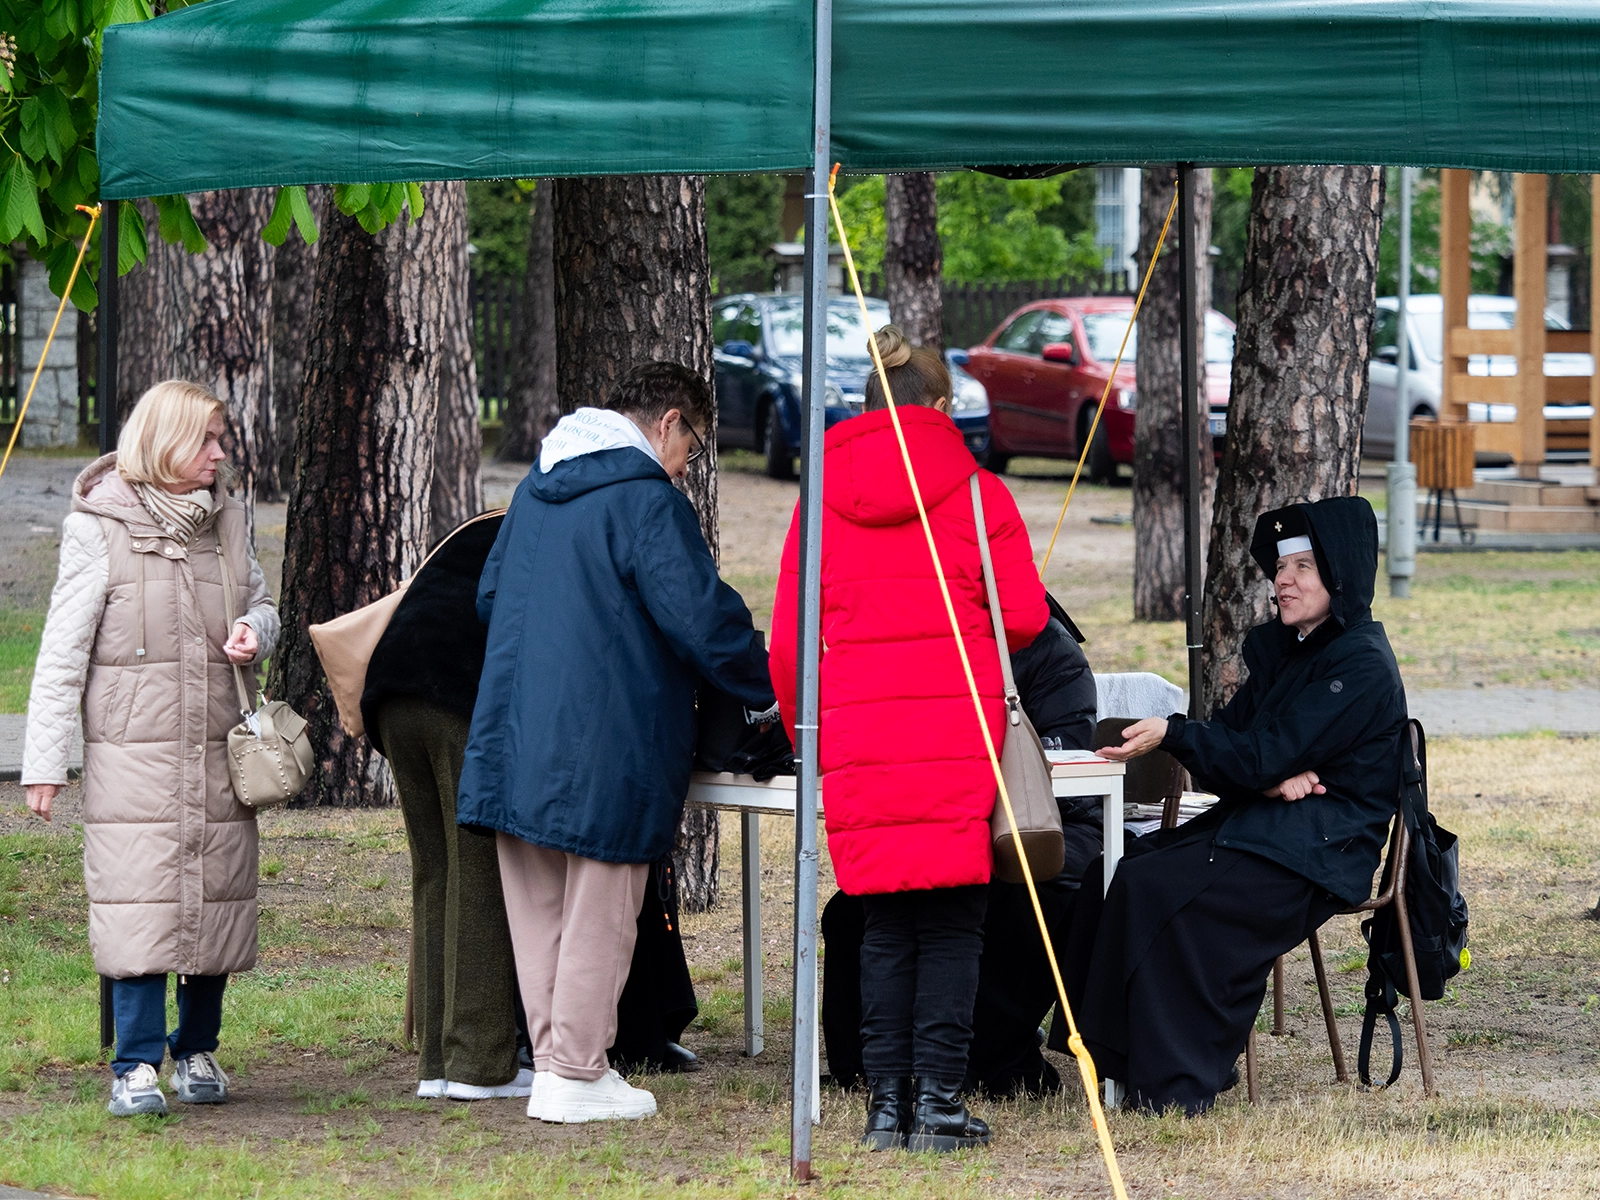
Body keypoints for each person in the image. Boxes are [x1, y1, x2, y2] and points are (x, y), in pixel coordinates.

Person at [456, 362, 776, 1125]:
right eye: (692, 448)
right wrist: (768, 685)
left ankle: (556, 1064)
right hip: (608, 740)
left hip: (513, 728)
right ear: (669, 422)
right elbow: (700, 620)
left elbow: (490, 595)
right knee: (599, 908)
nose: (687, 466)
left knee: (540, 908)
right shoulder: (645, 500)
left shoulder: (538, 486)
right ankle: (573, 1069)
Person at [770, 326, 1049, 1153]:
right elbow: (1027, 619)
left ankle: (885, 1111)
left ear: (866, 405)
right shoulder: (977, 494)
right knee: (955, 926)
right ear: (941, 406)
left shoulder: (819, 495)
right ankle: (937, 1104)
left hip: (859, 741)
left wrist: (808, 742)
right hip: (957, 738)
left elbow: (787, 645)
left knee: (885, 927)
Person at [1072, 495, 1406, 1115]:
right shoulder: (1297, 652)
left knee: (1158, 890)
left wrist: (1191, 739)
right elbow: (1242, 748)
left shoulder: (1358, 661)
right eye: (1282, 569)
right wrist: (1267, 779)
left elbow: (1253, 754)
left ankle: (1175, 1080)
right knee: (1110, 873)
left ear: (1342, 573)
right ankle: (1108, 1053)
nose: (1284, 581)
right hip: (1269, 824)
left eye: (1304, 567)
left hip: (1321, 849)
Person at [362, 515, 705, 1101]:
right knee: (480, 873)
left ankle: (437, 1064)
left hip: (392, 693)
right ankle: (479, 1062)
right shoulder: (588, 534)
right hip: (456, 695)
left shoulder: (520, 519)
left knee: (435, 874)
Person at [22, 381, 280, 1117]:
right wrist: (45, 762)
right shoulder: (96, 527)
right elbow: (61, 654)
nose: (220, 452)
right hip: (133, 760)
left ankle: (197, 1049)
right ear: (165, 442)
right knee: (139, 904)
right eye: (207, 440)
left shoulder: (227, 517)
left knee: (217, 905)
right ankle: (133, 1065)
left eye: (220, 439)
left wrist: (258, 629)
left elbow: (262, 599)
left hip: (215, 749)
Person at [821, 596, 1100, 1099]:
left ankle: (985, 1060)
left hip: (1042, 833)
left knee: (978, 904)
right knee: (851, 909)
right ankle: (869, 1069)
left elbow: (1062, 771)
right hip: (945, 821)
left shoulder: (1052, 652)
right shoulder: (933, 637)